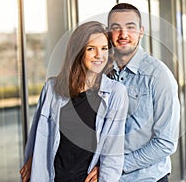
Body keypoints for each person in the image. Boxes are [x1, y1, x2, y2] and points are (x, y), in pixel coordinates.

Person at [19, 21, 129, 182]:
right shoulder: (51, 88)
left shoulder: (115, 93)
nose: (100, 55)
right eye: (91, 49)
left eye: (104, 48)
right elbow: (39, 135)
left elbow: (113, 152)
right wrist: (33, 160)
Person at [88, 3, 180, 182]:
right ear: (108, 33)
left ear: (141, 31)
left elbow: (165, 143)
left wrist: (113, 167)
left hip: (146, 178)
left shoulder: (158, 76)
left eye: (130, 27)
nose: (123, 35)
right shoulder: (102, 73)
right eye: (116, 28)